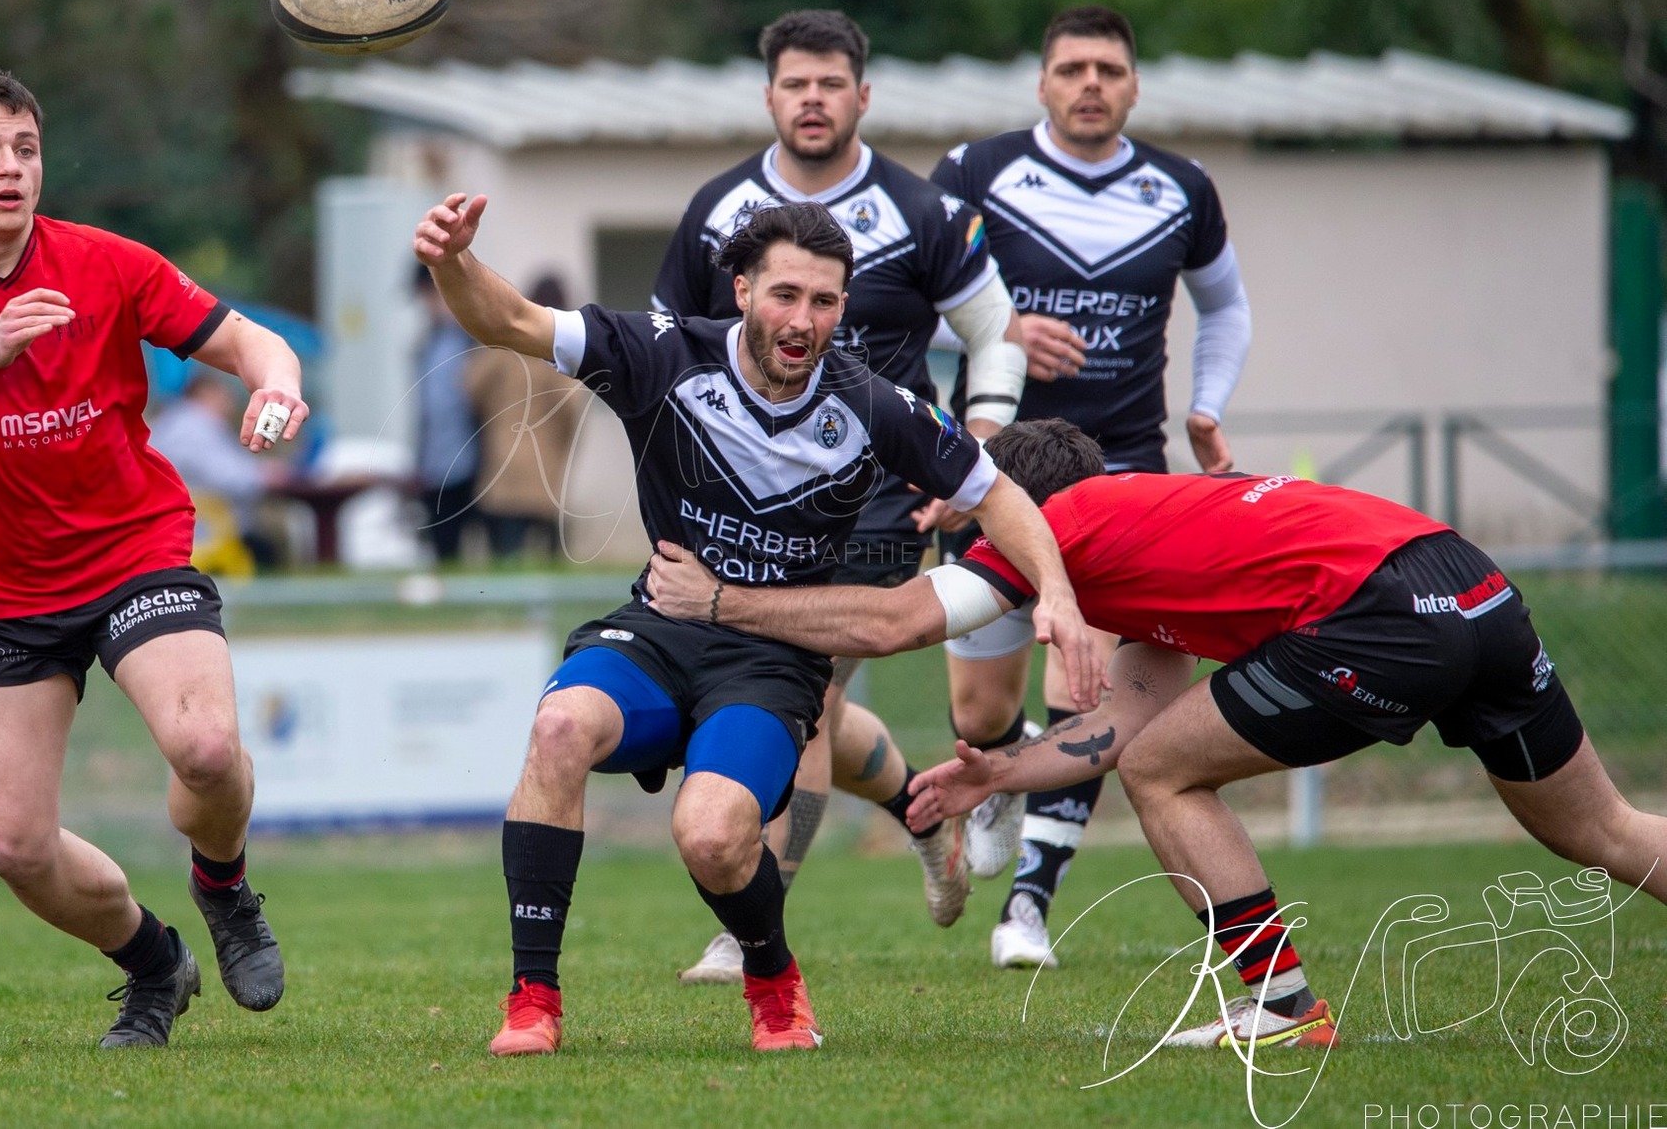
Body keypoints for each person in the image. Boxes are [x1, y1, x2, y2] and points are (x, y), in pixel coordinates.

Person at [645, 418, 1667, 1050]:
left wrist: (721, 602)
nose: (976, 530)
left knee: (1169, 777)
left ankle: (1279, 1007)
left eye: (980, 509)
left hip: (1381, 613)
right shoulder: (1150, 541)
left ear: (1014, 506)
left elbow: (895, 620)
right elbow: (1116, 729)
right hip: (1470, 583)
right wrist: (994, 770)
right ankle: (1275, 1004)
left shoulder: (1071, 519)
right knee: (1601, 830)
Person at [412, 193, 1095, 1056]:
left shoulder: (875, 407)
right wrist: (450, 262)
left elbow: (998, 494)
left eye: (823, 301)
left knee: (711, 833)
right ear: (740, 290)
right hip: (657, 632)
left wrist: (1059, 593)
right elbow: (507, 318)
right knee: (557, 727)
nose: (802, 319)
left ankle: (774, 978)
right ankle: (532, 999)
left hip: (771, 664)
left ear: (843, 307)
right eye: (784, 294)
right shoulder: (662, 355)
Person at [0, 69, 305, 1049]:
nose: (10, 167)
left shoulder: (106, 263)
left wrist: (279, 385)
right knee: (13, 845)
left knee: (207, 750)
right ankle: (154, 965)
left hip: (131, 551)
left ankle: (221, 884)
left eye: (24, 147)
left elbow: (246, 341)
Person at [653, 9, 1034, 980]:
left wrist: (977, 440)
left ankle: (747, 921)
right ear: (768, 95)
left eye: (830, 84)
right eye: (794, 83)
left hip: (874, 498)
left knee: (799, 697)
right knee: (788, 695)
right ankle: (917, 806)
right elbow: (661, 351)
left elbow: (994, 329)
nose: (812, 99)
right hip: (737, 498)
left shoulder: (918, 209)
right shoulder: (717, 209)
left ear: (861, 96)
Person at [927, 4, 1254, 969]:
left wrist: (1208, 402)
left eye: (1109, 67)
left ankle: (1028, 902)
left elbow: (1227, 305)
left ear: (1134, 83)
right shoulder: (973, 175)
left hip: (1125, 470)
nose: (1091, 83)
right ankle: (1001, 764)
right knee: (981, 711)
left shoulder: (1181, 189)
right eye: (1072, 66)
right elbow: (907, 307)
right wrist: (1002, 329)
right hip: (993, 468)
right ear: (1041, 81)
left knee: (1095, 685)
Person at [462, 274, 588, 560]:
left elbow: (470, 384)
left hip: (502, 472)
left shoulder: (506, 347)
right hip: (546, 478)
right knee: (550, 571)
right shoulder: (562, 356)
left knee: (506, 565)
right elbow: (572, 410)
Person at [149, 368, 290, 571]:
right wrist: (264, 475)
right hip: (206, 529)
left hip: (177, 525)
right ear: (207, 393)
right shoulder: (196, 425)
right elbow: (229, 478)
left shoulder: (173, 422)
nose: (230, 402)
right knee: (270, 546)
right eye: (225, 395)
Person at [413, 263, 484, 562]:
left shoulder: (473, 341)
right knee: (443, 548)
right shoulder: (428, 344)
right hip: (435, 465)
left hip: (470, 462)